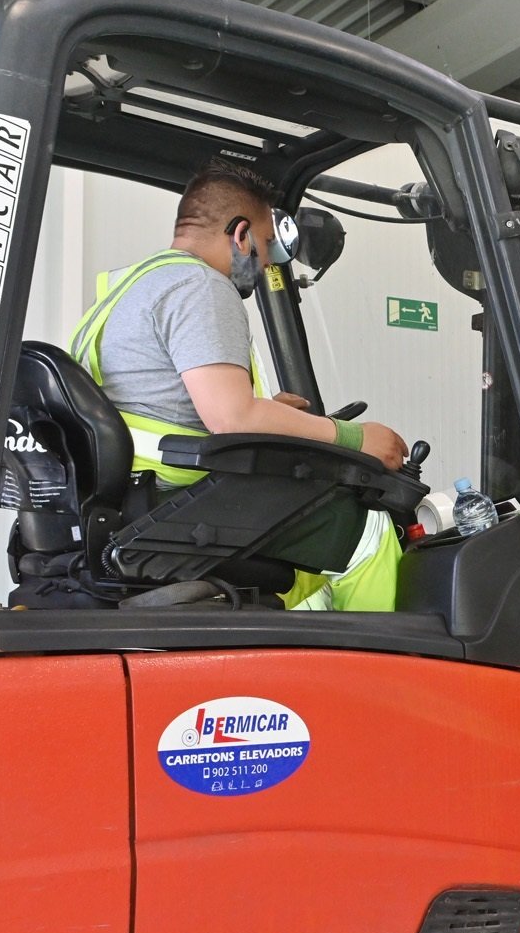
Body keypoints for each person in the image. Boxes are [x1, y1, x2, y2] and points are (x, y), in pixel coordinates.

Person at [69, 159, 410, 608]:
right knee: (367, 529)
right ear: (242, 235)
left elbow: (169, 404)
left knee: (308, 557)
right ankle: (378, 675)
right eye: (267, 244)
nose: (267, 260)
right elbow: (231, 417)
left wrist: (270, 412)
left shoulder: (129, 288)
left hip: (130, 492)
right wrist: (357, 438)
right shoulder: (201, 286)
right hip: (178, 492)